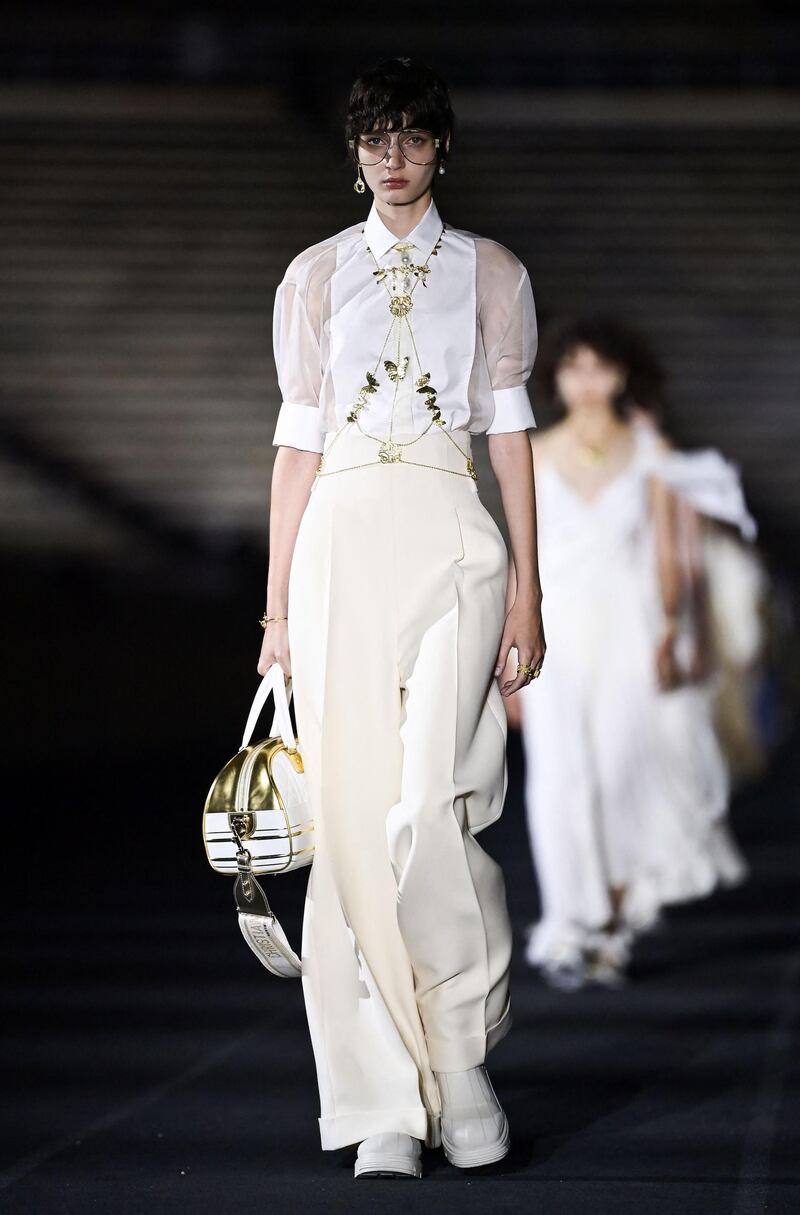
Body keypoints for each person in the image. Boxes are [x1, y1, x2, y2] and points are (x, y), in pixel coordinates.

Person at [258, 57, 545, 1179]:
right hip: (337, 546)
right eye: (374, 137)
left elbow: (509, 437)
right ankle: (384, 1099)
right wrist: (276, 605)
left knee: (432, 800)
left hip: (452, 537)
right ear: (353, 151)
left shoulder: (491, 274)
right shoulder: (313, 279)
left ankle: (461, 1055)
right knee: (352, 820)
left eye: (411, 138)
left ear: (439, 149)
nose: (391, 156)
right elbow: (294, 445)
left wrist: (528, 580)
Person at [505, 317, 756, 990]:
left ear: (622, 375)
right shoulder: (528, 450)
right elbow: (516, 560)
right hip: (551, 628)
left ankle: (613, 918)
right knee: (556, 776)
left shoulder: (650, 449)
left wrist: (674, 631)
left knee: (619, 771)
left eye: (599, 367)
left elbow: (673, 555)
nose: (586, 381)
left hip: (625, 627)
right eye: (573, 367)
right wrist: (505, 653)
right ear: (556, 375)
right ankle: (568, 919)